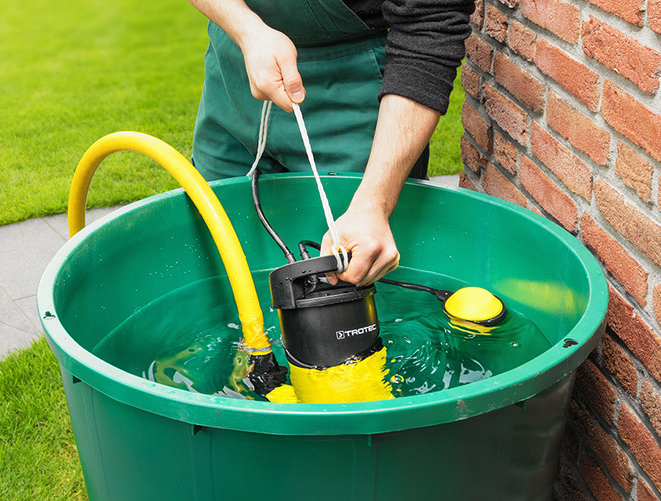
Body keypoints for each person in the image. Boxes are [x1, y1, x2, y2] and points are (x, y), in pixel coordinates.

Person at [188, 0, 473, 287]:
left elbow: (429, 27)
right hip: (235, 73)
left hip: (355, 90)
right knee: (219, 265)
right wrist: (246, 30)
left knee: (351, 276)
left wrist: (374, 203)